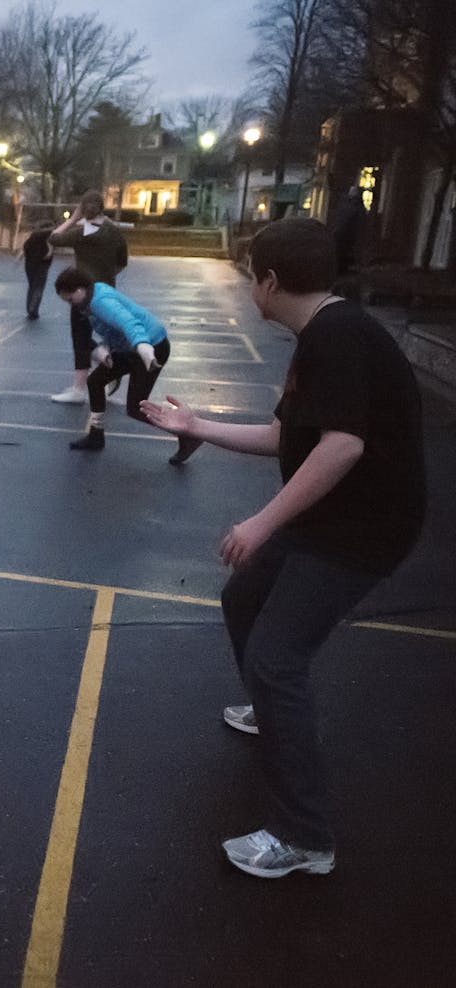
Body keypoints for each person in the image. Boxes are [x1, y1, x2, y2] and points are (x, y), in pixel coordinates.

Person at [141, 217, 425, 879]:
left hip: (363, 529)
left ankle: (305, 836)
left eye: (250, 275)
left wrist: (261, 522)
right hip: (330, 515)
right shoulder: (320, 333)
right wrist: (195, 425)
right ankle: (273, 716)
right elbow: (284, 436)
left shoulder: (340, 338)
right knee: (245, 596)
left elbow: (343, 445)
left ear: (268, 281)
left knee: (276, 658)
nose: (249, 288)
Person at [52, 266, 191, 462]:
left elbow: (129, 323)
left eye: (70, 299)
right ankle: (96, 435)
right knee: (95, 381)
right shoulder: (92, 296)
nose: (70, 305)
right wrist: (106, 349)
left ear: (79, 290)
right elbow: (112, 328)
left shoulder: (100, 302)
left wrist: (142, 345)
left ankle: (186, 432)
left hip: (152, 347)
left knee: (136, 407)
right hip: (130, 349)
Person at [47, 191, 128, 403]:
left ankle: (79, 388)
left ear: (83, 209)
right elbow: (123, 261)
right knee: (107, 334)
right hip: (107, 291)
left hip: (81, 291)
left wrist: (72, 219)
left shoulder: (82, 232)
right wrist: (106, 276)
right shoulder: (114, 232)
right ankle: (108, 367)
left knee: (80, 338)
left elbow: (53, 238)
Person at [20, 223, 54, 320]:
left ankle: (30, 309)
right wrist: (51, 249)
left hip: (30, 266)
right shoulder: (48, 237)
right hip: (42, 266)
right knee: (38, 288)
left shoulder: (32, 238)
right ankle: (33, 309)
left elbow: (25, 248)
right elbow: (48, 255)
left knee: (32, 287)